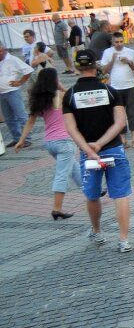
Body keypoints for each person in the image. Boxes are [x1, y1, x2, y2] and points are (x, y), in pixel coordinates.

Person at [62, 49, 133, 251]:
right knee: (120, 194)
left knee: (92, 195)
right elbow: (120, 122)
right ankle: (124, 240)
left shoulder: (70, 95)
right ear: (96, 66)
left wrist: (89, 149)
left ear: (77, 68)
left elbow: (71, 129)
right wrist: (101, 143)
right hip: (114, 150)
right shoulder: (110, 91)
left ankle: (97, 231)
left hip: (89, 155)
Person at [13, 68, 82, 219]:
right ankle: (57, 208)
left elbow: (30, 122)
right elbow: (74, 96)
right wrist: (62, 87)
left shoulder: (39, 100)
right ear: (55, 80)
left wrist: (21, 140)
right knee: (62, 174)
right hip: (64, 142)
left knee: (74, 167)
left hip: (50, 142)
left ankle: (91, 191)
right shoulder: (60, 96)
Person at [100, 32, 134, 147]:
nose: (119, 44)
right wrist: (112, 60)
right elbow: (103, 71)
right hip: (115, 88)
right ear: (112, 42)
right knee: (119, 114)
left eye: (121, 42)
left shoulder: (130, 52)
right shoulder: (107, 52)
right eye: (116, 42)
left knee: (133, 112)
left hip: (130, 86)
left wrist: (129, 62)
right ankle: (123, 139)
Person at [0, 43, 34, 148]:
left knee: (21, 115)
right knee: (9, 118)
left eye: (0, 51)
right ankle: (16, 138)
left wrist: (20, 82)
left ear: (4, 50)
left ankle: (27, 139)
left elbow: (28, 70)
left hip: (12, 92)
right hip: (1, 93)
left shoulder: (13, 59)